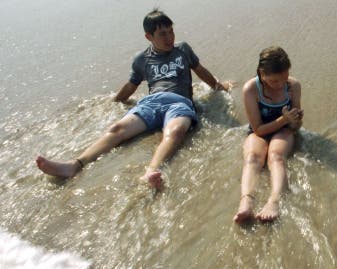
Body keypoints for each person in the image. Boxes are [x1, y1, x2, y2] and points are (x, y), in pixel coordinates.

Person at [35, 9, 232, 189]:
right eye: (162, 34)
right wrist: (114, 101)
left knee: (176, 130)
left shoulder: (183, 50)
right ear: (149, 36)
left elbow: (200, 70)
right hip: (151, 103)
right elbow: (131, 86)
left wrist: (218, 86)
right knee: (117, 129)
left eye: (171, 31)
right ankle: (74, 165)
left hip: (180, 102)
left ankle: (151, 171)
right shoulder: (142, 59)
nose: (169, 37)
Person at [234, 46, 303, 223]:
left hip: (284, 130)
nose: (280, 84)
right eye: (274, 81)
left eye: (284, 78)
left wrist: (294, 121)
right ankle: (246, 201)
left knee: (276, 156)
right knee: (252, 157)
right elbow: (258, 129)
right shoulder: (251, 89)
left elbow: (296, 126)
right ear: (261, 74)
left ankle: (274, 201)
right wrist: (283, 118)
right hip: (260, 130)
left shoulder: (293, 86)